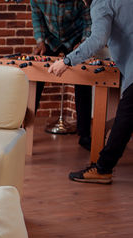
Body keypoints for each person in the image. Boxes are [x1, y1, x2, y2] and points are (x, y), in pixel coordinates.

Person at [48, 0, 133, 184]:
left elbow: (98, 40)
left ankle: (102, 169)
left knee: (125, 119)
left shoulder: (101, 4)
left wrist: (66, 61)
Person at [30, 0, 93, 150]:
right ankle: (24, 130)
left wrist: (84, 42)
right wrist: (40, 41)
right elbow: (37, 18)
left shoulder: (80, 1)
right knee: (35, 80)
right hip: (50, 40)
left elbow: (87, 21)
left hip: (76, 39)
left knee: (82, 81)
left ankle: (84, 135)